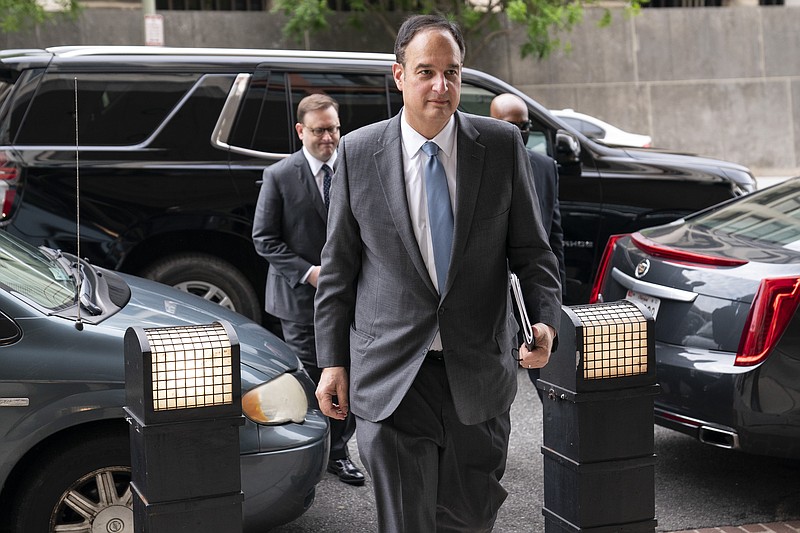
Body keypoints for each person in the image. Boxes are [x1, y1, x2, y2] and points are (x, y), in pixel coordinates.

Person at [313, 14, 562, 532]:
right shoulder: (358, 153)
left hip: (477, 376)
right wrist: (332, 362)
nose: (440, 86)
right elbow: (338, 271)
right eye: (426, 71)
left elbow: (534, 255)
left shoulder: (499, 147)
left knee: (469, 523)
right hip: (392, 378)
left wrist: (545, 321)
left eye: (452, 72)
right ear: (399, 75)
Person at [252, 93, 364, 486]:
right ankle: (314, 452)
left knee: (347, 372)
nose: (329, 138)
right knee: (313, 376)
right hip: (299, 300)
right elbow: (264, 239)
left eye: (334, 129)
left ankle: (338, 451)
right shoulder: (280, 175)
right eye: (320, 131)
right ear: (301, 131)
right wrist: (308, 273)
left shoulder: (354, 168)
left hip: (351, 299)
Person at [490, 92, 567, 402]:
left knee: (547, 382)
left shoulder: (546, 167)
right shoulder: (473, 169)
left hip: (530, 292)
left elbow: (554, 236)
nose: (520, 133)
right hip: (491, 297)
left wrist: (555, 295)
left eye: (525, 126)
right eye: (511, 126)